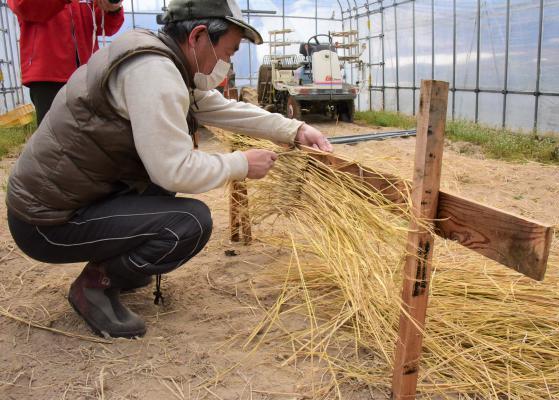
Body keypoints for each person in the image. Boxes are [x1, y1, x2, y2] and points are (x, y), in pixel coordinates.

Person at [5, 0, 333, 339]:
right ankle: (94, 286)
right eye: (229, 51)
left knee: (160, 195)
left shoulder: (160, 60)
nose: (228, 62)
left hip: (56, 203)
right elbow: (174, 169)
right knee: (189, 223)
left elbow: (222, 109)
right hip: (44, 223)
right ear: (199, 36)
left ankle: (122, 269)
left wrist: (294, 130)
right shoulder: (154, 74)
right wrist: (241, 164)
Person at [7, 0, 124, 124]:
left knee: (93, 135)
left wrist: (113, 8)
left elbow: (105, 25)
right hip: (48, 77)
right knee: (54, 136)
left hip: (87, 75)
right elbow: (23, 6)